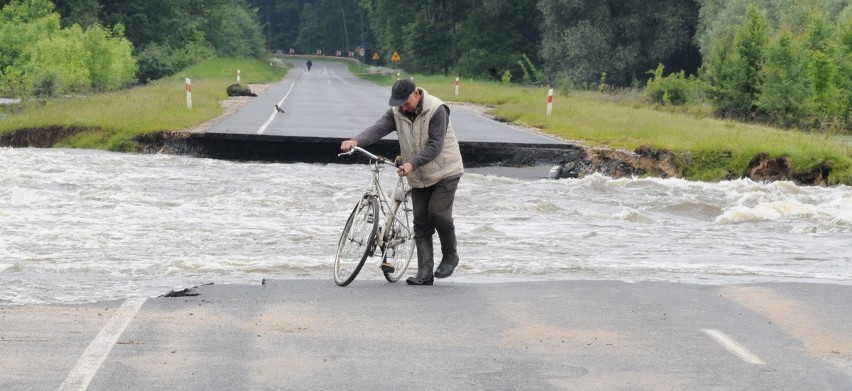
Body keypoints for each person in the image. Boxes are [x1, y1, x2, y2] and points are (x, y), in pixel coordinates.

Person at [340, 79, 464, 286]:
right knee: (420, 222)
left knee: (438, 213)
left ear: (416, 93)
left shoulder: (437, 110)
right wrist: (356, 140)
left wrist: (411, 164)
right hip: (418, 174)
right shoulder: (397, 112)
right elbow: (378, 128)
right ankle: (425, 273)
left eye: (406, 102)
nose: (403, 107)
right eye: (399, 104)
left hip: (445, 171)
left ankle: (451, 256)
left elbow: (435, 146)